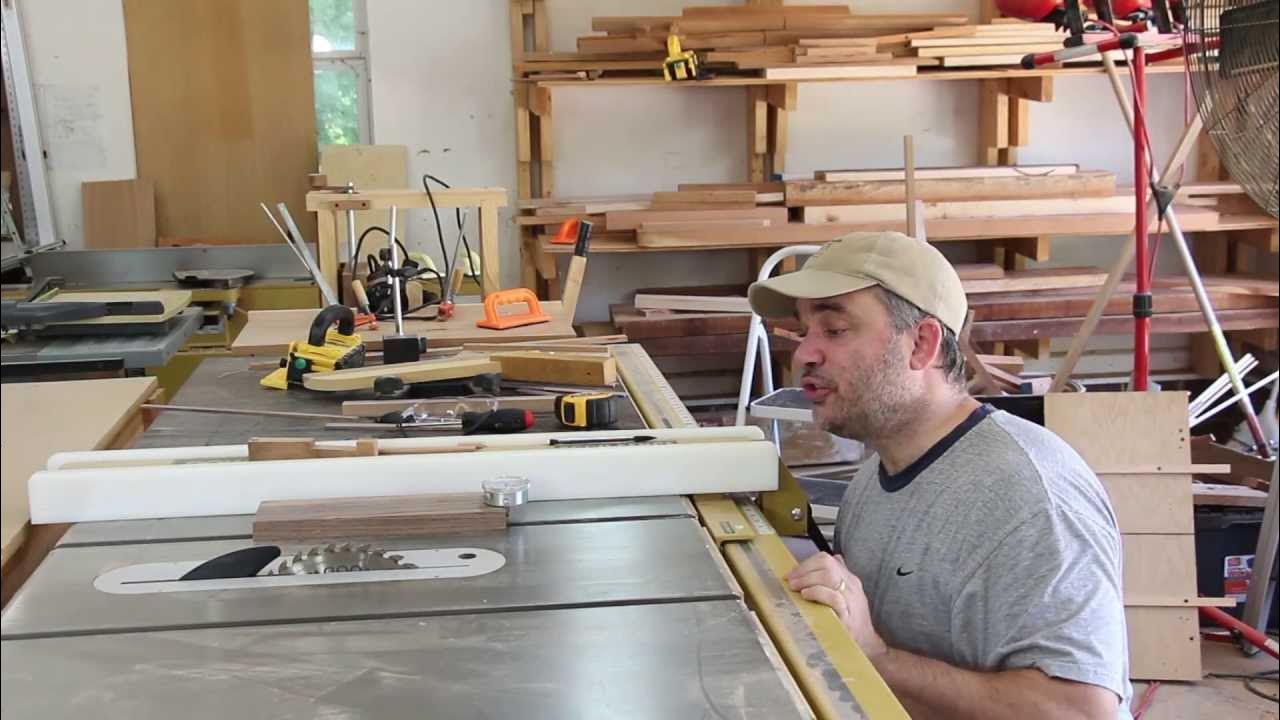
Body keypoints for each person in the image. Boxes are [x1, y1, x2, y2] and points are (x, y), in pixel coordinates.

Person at [747, 232, 1132, 719]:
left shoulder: (1029, 497)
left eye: (835, 329)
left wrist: (874, 658)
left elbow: (1082, 712)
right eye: (805, 332)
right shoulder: (876, 475)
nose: (805, 354)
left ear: (921, 344)